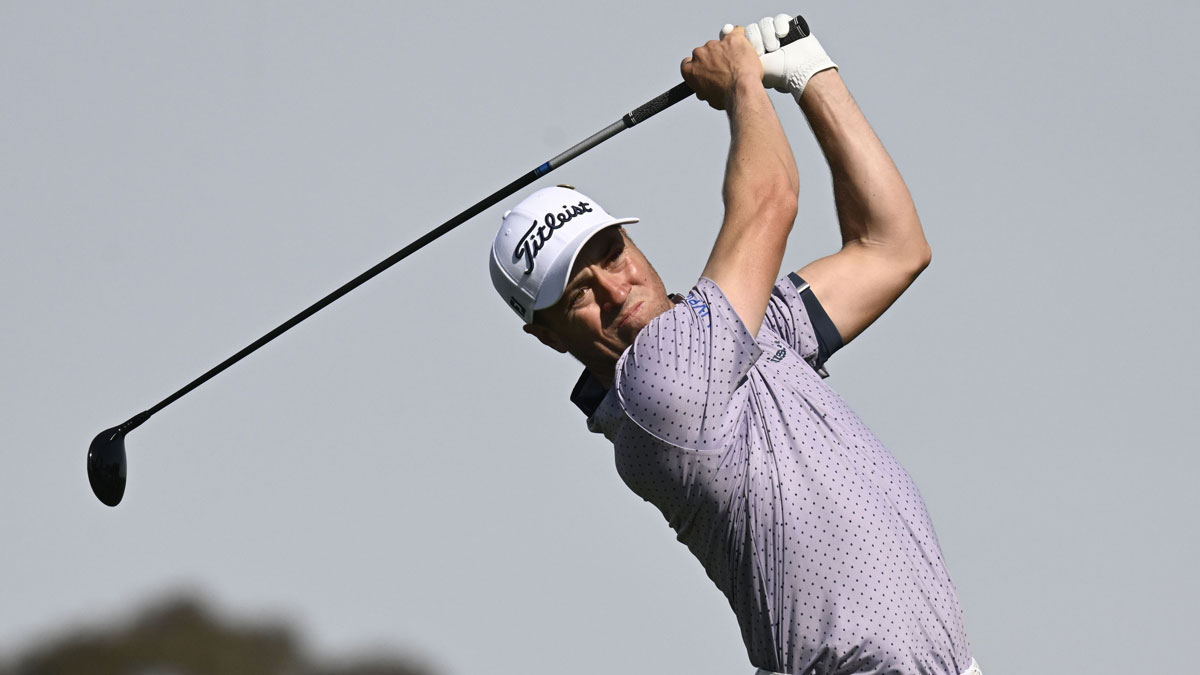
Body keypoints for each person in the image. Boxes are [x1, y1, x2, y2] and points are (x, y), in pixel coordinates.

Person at [488, 14, 978, 675]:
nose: (614, 285)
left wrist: (811, 74)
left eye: (610, 251)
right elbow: (770, 197)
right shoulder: (656, 388)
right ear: (546, 334)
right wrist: (743, 84)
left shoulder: (738, 331)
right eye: (577, 290)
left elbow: (892, 248)